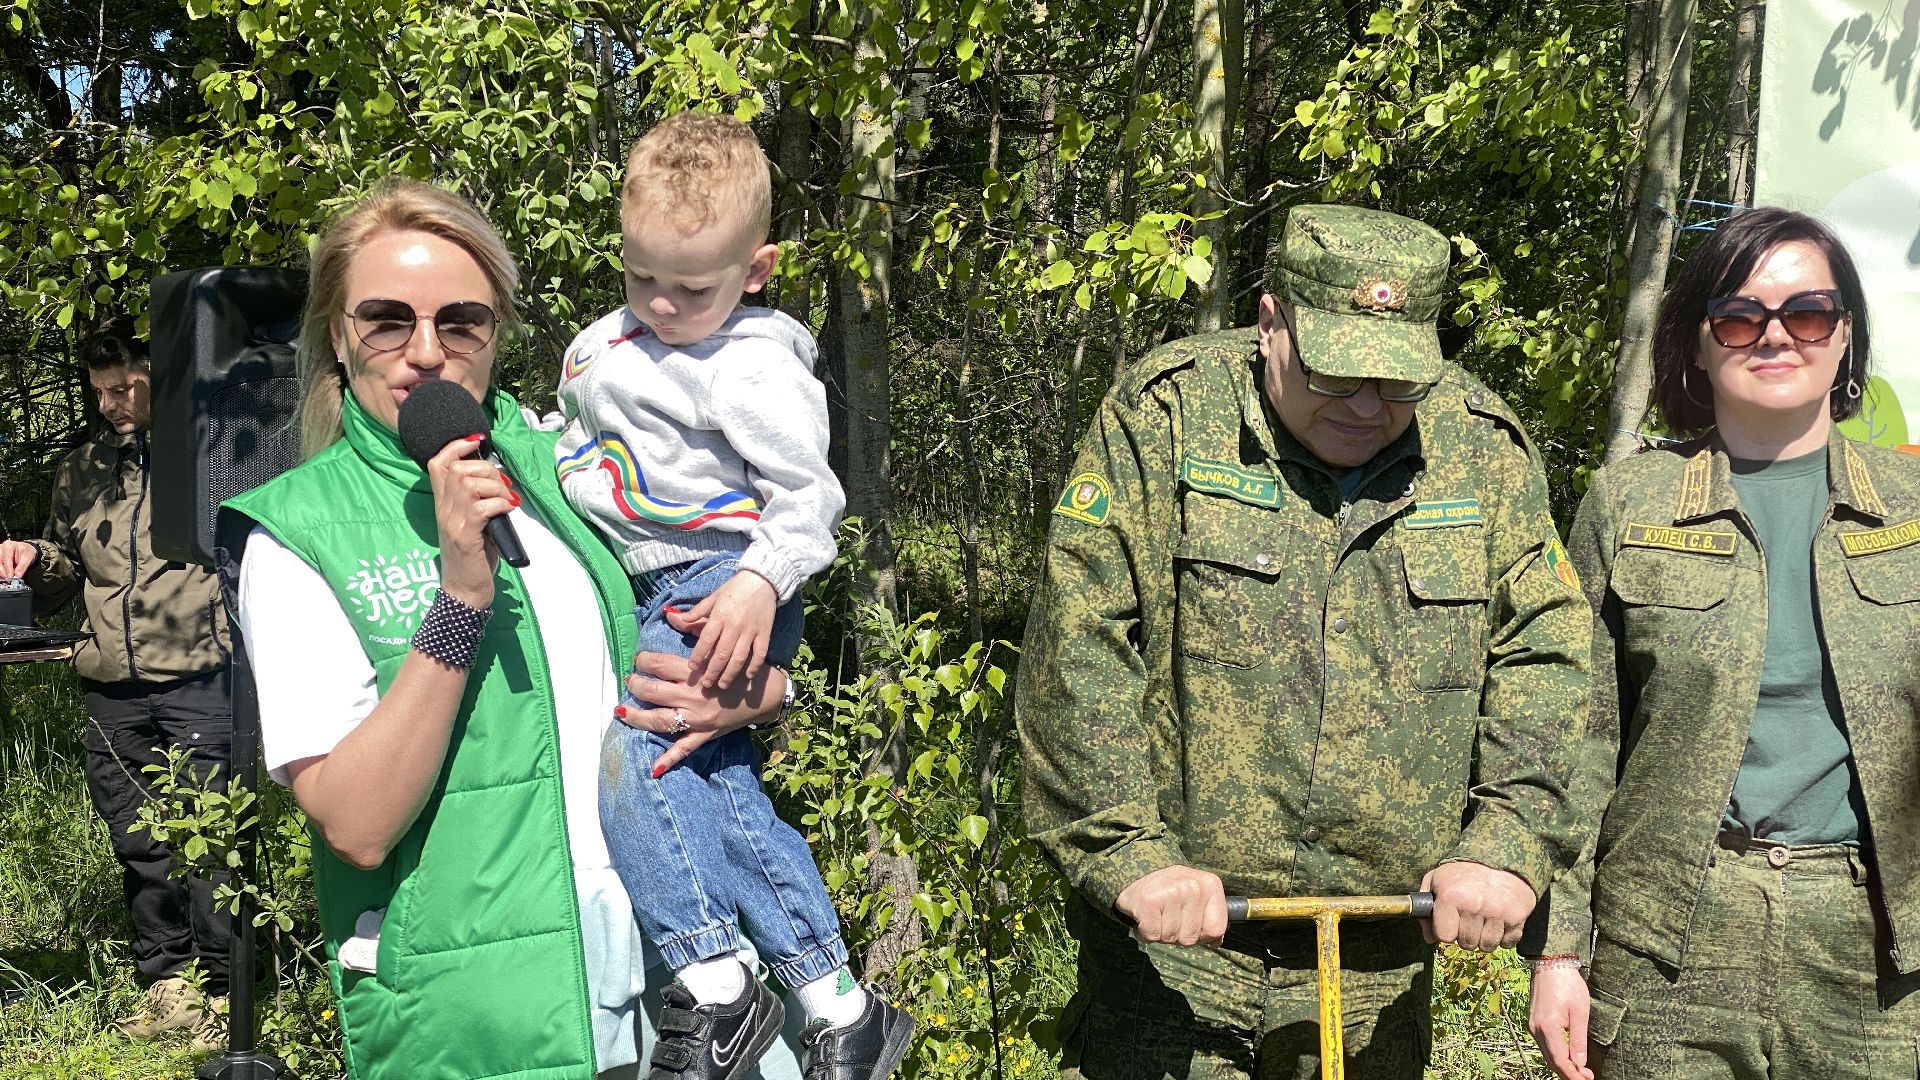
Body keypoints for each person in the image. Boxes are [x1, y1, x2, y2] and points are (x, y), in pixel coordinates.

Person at [220, 179, 811, 1080]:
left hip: (681, 964)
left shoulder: (570, 470)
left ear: (496, 335)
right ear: (338, 334)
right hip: (486, 1008)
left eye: (461, 322)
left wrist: (761, 693)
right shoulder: (297, 533)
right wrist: (461, 595)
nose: (426, 353)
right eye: (386, 320)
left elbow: (682, 637)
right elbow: (356, 824)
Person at [1017, 203, 1592, 1080]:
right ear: (1271, 320)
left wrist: (1505, 845)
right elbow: (1080, 643)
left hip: (1379, 967)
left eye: (1398, 381)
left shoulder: (1482, 451)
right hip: (1169, 966)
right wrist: (1127, 851)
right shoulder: (1165, 417)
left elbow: (1545, 658)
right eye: (1336, 373)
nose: (1367, 406)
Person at [553, 111, 911, 1080]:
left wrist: (759, 586)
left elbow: (809, 500)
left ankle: (716, 985)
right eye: (640, 278)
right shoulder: (601, 349)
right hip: (651, 579)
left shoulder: (752, 364)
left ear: (756, 271)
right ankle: (836, 1000)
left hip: (722, 573)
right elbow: (576, 445)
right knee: (719, 788)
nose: (661, 306)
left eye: (691, 286)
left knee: (643, 756)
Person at [1525, 207, 1920, 1080]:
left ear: (1844, 335)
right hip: (1669, 934)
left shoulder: (1916, 505)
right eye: (1740, 317)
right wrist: (1559, 954)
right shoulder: (1627, 504)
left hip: (1881, 951)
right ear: (1698, 345)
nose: (1775, 337)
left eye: (1807, 314)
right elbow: (1575, 743)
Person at [0, 321, 233, 1050]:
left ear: (157, 379)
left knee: (216, 838)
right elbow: (66, 572)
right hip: (110, 685)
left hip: (202, 676)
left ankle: (228, 990)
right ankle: (166, 982)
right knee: (138, 839)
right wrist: (31, 562)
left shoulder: (210, 455)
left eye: (126, 385)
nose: (111, 402)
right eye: (101, 391)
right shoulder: (81, 472)